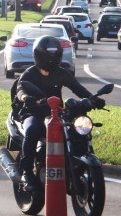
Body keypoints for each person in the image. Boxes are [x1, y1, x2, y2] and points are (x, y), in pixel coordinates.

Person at [13, 36, 105, 193]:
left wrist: (93, 99)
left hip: (57, 113)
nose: (51, 59)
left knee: (76, 130)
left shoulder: (62, 73)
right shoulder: (29, 74)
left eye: (54, 55)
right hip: (34, 112)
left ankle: (73, 166)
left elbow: (78, 88)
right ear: (39, 55)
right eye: (48, 55)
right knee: (33, 130)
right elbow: (20, 89)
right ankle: (27, 173)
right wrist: (26, 98)